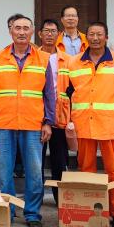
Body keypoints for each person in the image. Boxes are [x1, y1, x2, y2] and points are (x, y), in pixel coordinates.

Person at [0, 15, 55, 227]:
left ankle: (32, 213)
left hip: (33, 123)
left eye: (26, 28)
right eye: (18, 28)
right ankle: (7, 211)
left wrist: (48, 122)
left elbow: (49, 94)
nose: (22, 32)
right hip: (4, 122)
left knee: (34, 172)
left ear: (32, 32)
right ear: (10, 31)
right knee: (3, 171)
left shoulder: (43, 59)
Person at [65, 22, 114, 227]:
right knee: (86, 169)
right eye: (92, 34)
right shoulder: (73, 62)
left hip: (110, 124)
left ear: (106, 37)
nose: (95, 38)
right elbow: (69, 92)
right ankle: (89, 208)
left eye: (99, 34)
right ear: (86, 37)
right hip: (83, 123)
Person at [45, 41, 71, 202]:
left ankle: (60, 198)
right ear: (40, 34)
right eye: (46, 31)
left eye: (53, 31)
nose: (49, 34)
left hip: (60, 114)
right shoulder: (35, 57)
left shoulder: (67, 59)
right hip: (39, 115)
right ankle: (36, 197)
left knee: (59, 159)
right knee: (36, 160)